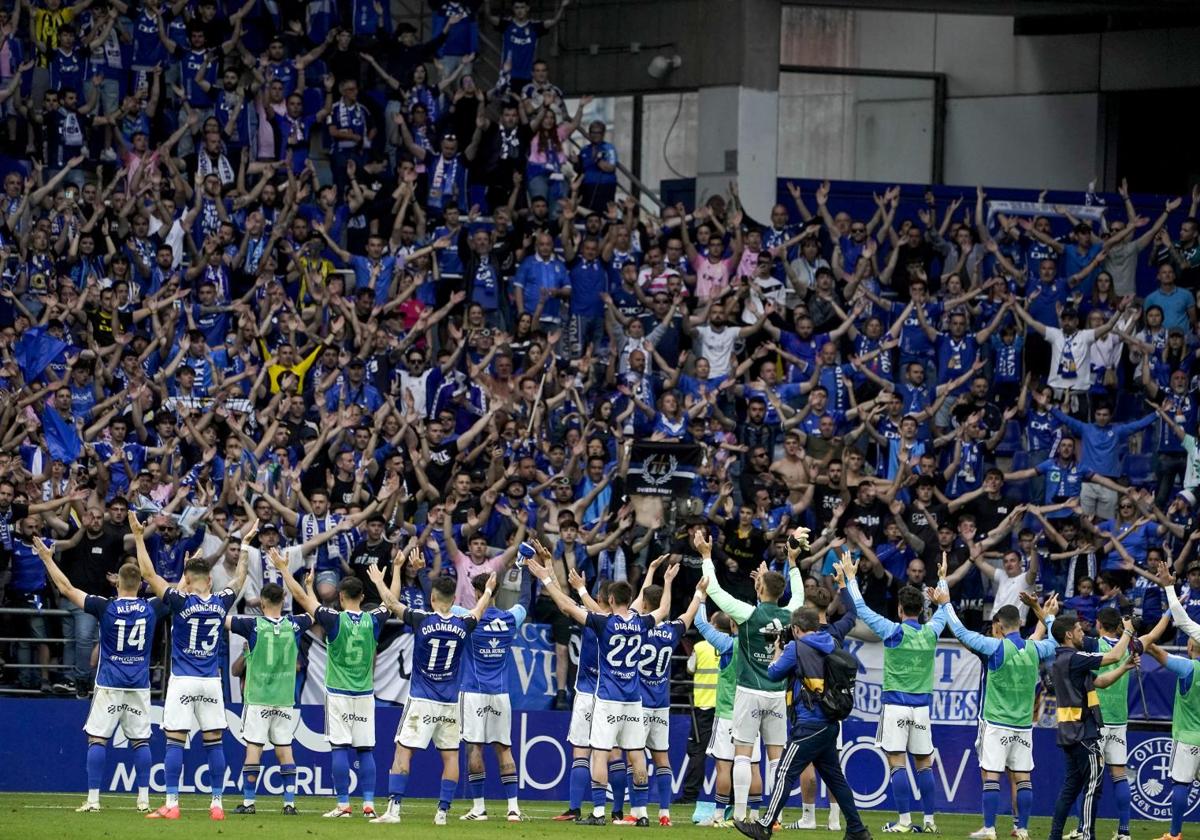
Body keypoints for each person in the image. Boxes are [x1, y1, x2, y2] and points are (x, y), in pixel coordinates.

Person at [526, 540, 686, 827]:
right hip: (634, 701)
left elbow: (565, 605)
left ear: (610, 601)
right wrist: (666, 580)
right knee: (636, 754)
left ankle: (598, 812)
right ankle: (642, 814)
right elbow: (663, 609)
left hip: (606, 696)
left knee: (598, 752)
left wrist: (548, 577)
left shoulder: (602, 622)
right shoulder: (642, 622)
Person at [32, 538, 160, 813]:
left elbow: (66, 589)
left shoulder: (106, 607)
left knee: (98, 739)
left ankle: (93, 800)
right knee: (141, 741)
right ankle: (144, 799)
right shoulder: (152, 606)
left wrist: (47, 559)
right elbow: (180, 592)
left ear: (117, 583)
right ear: (140, 584)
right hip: (138, 684)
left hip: (109, 682)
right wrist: (185, 572)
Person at [366, 556, 497, 825]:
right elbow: (479, 610)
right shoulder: (463, 624)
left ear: (433, 599)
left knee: (403, 752)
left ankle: (393, 811)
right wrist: (488, 591)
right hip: (450, 702)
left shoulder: (422, 619)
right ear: (453, 600)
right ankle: (442, 813)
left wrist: (384, 578)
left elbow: (391, 604)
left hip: (421, 700)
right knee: (450, 756)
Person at [132, 513, 245, 821]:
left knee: (175, 741)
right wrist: (245, 548)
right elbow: (239, 580)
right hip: (210, 681)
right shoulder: (220, 601)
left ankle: (171, 803)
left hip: (183, 680)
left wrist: (140, 537)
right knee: (214, 742)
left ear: (187, 578)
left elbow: (148, 573)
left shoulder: (179, 600)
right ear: (209, 580)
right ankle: (217, 804)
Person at [731, 600, 872, 840]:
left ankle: (764, 826)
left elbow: (774, 673)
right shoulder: (831, 642)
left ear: (796, 629)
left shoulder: (796, 648)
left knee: (784, 772)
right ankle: (858, 830)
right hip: (829, 722)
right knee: (835, 779)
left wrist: (778, 649)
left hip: (809, 723)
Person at [927, 583, 1058, 840]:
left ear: (998, 623)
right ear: (1020, 622)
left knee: (991, 775)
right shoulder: (1035, 648)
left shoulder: (994, 647)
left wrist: (945, 604)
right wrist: (1043, 612)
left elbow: (962, 633)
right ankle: (1022, 829)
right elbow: (1055, 639)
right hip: (1022, 725)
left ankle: (989, 828)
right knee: (1023, 777)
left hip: (996, 723)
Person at [696, 526, 805, 823]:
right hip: (776, 693)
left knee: (742, 755)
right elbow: (799, 595)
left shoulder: (746, 613)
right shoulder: (790, 612)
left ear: (759, 589)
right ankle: (774, 817)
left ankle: (741, 815)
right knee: (774, 759)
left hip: (748, 691)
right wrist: (793, 563)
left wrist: (707, 556)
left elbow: (715, 591)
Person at [842, 550, 948, 833]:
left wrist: (851, 577)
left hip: (895, 706)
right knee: (924, 764)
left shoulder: (892, 631)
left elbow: (861, 609)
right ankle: (929, 822)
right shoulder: (932, 631)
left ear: (901, 610)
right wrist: (942, 580)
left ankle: (903, 821)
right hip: (922, 709)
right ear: (921, 610)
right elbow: (945, 609)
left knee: (897, 763)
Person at [278, 552, 387, 818]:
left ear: (340, 597)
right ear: (362, 597)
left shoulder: (334, 619)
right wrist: (387, 577)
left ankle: (343, 804)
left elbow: (305, 601)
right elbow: (390, 601)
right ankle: (369, 804)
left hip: (339, 692)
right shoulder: (374, 619)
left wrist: (283, 569)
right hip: (364, 693)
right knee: (365, 749)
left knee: (340, 747)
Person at [231, 548, 316, 816]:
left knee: (254, 749)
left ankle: (248, 803)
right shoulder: (295, 625)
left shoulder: (252, 625)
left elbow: (220, 619)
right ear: (284, 599)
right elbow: (315, 612)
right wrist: (309, 588)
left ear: (261, 602)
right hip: (283, 699)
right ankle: (289, 803)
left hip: (257, 698)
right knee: (285, 750)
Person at [1046, 611, 1138, 840]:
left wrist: (1124, 668)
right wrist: (1127, 631)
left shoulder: (1064, 660)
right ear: (1068, 635)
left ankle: (1054, 835)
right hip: (1084, 733)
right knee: (1092, 789)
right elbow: (1115, 655)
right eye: (1078, 630)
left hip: (1069, 732)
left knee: (1070, 789)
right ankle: (1087, 835)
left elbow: (1102, 682)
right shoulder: (1076, 658)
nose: (1082, 633)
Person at [453, 566, 534, 822]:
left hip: (474, 692)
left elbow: (441, 604)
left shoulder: (465, 617)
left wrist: (422, 576)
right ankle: (513, 808)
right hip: (500, 694)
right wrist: (529, 572)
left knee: (474, 748)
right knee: (504, 748)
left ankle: (479, 808)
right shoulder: (511, 619)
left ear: (478, 593)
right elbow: (524, 600)